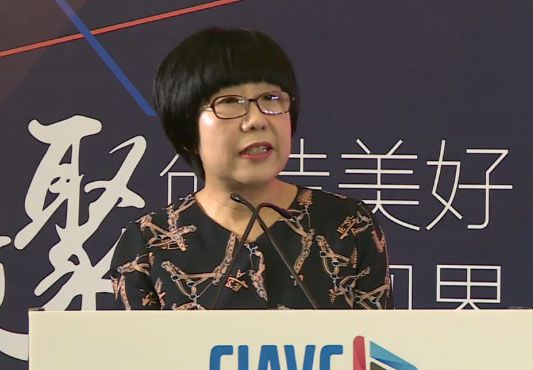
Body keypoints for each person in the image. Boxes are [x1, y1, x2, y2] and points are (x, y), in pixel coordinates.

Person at [109, 27, 393, 310]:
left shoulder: (350, 224)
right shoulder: (148, 244)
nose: (256, 120)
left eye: (271, 98)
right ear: (187, 131)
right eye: (229, 102)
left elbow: (376, 338)